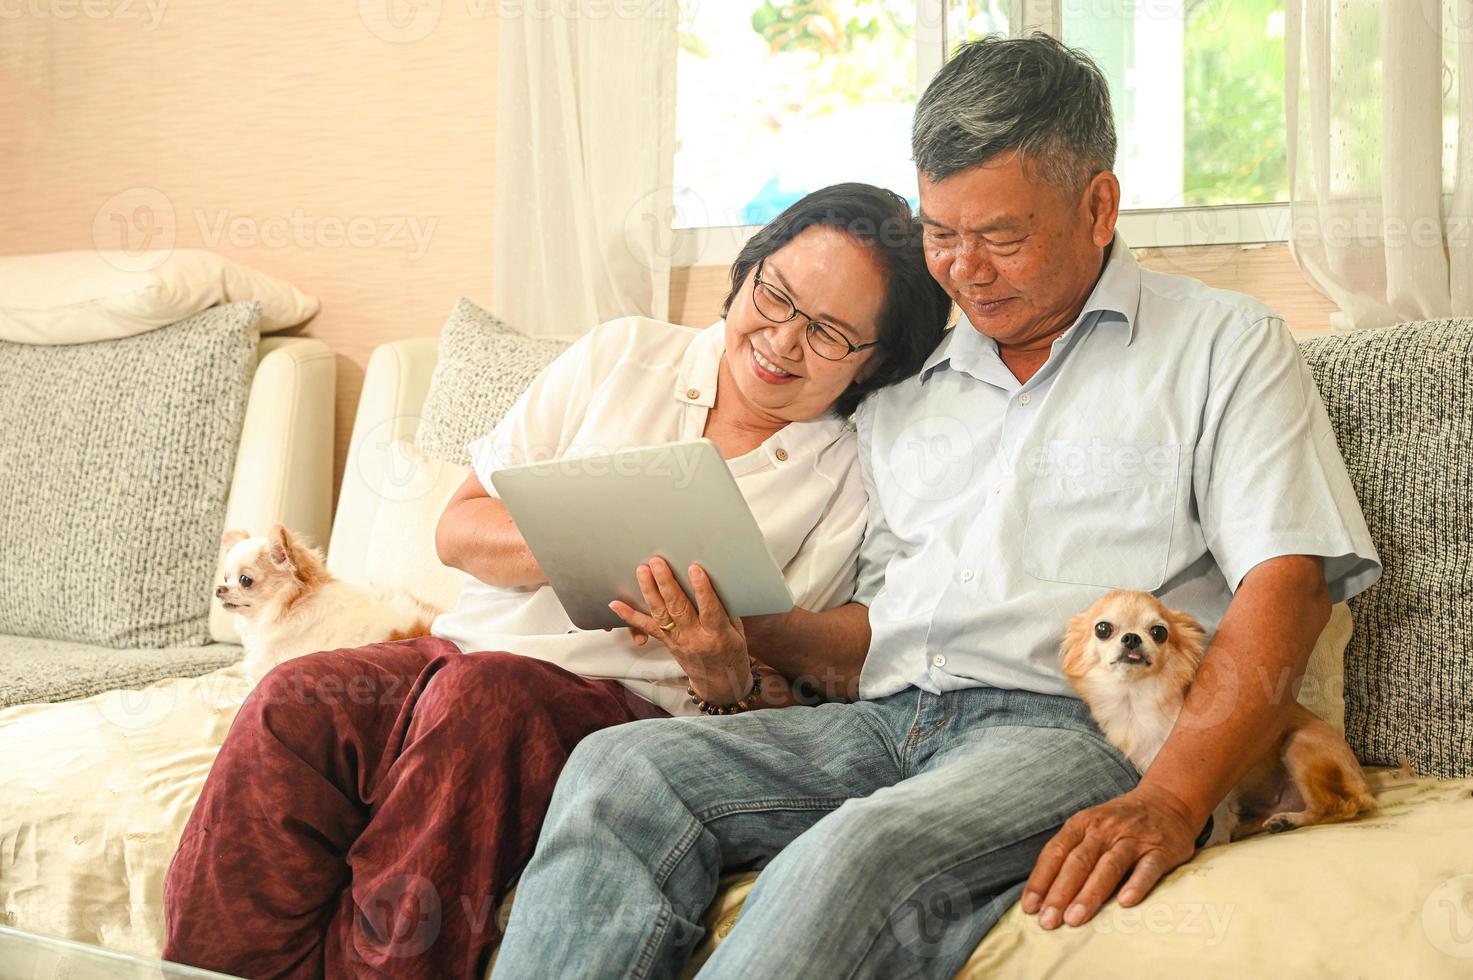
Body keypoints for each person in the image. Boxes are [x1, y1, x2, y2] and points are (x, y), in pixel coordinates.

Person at [489, 34, 1383, 979]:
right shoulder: (905, 387)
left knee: (853, 852)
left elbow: (1288, 585)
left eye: (999, 235)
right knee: (619, 770)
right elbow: (868, 634)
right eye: (939, 232)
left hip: (1067, 732)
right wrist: (737, 626)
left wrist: (1171, 797)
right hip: (881, 720)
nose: (962, 270)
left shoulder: (1222, 348)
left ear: (1098, 205)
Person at [160, 182, 953, 980]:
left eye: (827, 333)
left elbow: (810, 682)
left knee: (486, 701)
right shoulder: (623, 355)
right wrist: (589, 540)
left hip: (620, 708)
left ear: (873, 361)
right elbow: (459, 527)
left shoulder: (849, 469)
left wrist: (728, 655)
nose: (782, 340)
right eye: (773, 296)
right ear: (746, 273)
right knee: (289, 704)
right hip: (455, 656)